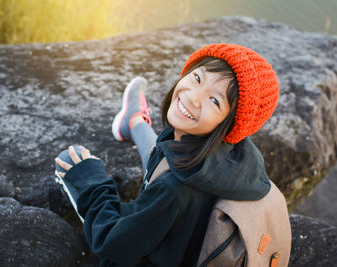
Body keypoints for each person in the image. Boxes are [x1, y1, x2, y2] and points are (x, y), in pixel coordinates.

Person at [55, 43, 280, 266]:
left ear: (230, 125)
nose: (194, 97)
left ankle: (134, 122)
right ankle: (134, 121)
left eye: (214, 101)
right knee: (164, 153)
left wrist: (92, 182)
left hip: (148, 245)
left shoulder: (172, 190)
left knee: (71, 161)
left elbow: (112, 244)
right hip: (182, 232)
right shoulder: (238, 160)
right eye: (198, 78)